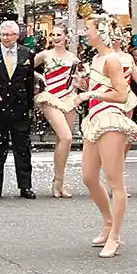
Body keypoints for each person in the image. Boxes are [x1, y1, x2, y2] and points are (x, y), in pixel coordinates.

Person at [79, 14, 137, 258]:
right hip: (95, 119)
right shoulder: (96, 58)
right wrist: (86, 88)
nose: (85, 34)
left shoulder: (112, 60)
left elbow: (122, 95)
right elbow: (101, 88)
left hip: (111, 119)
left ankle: (115, 235)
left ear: (100, 32)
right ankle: (107, 223)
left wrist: (91, 95)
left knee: (116, 182)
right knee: (89, 177)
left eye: (88, 29)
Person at [0, 20, 36, 200]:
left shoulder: (27, 53)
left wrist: (31, 107)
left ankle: (25, 186)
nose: (7, 38)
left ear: (17, 35)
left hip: (19, 106)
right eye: (3, 35)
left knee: (23, 148)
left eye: (11, 35)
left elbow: (29, 83)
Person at [34, 24, 82, 198]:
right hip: (50, 98)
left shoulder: (73, 57)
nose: (55, 38)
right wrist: (38, 77)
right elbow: (25, 66)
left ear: (66, 37)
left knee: (62, 142)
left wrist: (78, 83)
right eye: (53, 35)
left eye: (59, 35)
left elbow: (76, 79)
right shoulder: (45, 55)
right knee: (66, 137)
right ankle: (58, 183)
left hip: (69, 98)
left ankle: (60, 181)